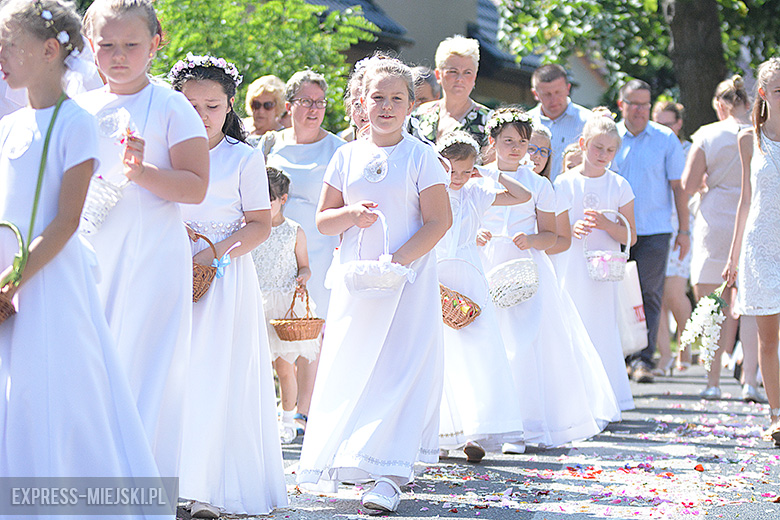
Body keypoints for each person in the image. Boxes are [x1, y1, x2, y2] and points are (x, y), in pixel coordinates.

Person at [0, 0, 165, 514]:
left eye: (10, 46)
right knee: (16, 394)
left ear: (50, 51)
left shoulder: (74, 123)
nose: (1, 56)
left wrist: (13, 281)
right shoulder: (10, 125)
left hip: (48, 279)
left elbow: (66, 219)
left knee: (56, 388)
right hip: (9, 277)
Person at [297, 56, 451, 513]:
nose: (386, 106)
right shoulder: (345, 155)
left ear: (410, 106)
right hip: (358, 284)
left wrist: (398, 262)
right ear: (362, 103)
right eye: (377, 98)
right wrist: (350, 215)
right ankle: (352, 454)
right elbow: (324, 221)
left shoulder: (421, 157)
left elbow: (438, 220)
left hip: (407, 281)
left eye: (396, 98)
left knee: (400, 369)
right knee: (355, 367)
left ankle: (390, 474)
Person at [78, 0, 210, 479]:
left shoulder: (171, 105)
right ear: (89, 46)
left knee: (141, 366)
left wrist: (141, 171)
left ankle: (138, 487)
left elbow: (196, 185)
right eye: (106, 45)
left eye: (131, 45)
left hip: (149, 256)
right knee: (91, 367)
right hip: (90, 252)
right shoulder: (80, 107)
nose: (118, 55)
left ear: (154, 44)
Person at [170, 55, 287, 518]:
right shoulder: (163, 152)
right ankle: (165, 481)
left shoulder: (243, 157)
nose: (201, 115)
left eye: (212, 106)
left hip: (222, 276)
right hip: (166, 271)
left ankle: (210, 488)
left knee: (216, 375)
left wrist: (214, 252)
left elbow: (260, 224)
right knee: (170, 376)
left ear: (230, 105)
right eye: (191, 105)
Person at [477, 107, 620, 448]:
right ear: (493, 141)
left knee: (524, 344)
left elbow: (554, 236)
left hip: (525, 267)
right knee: (487, 342)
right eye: (508, 140)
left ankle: (525, 425)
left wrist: (532, 241)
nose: (515, 148)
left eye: (522, 142)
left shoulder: (538, 184)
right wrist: (477, 233)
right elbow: (461, 217)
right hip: (485, 262)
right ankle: (485, 423)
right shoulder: (478, 176)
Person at [260, 70, 345, 435]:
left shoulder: (338, 148)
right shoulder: (268, 144)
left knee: (309, 330)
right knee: (274, 330)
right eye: (306, 101)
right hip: (271, 247)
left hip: (318, 247)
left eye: (319, 103)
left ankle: (302, 412)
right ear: (289, 105)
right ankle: (278, 406)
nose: (313, 109)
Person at [436, 131, 529, 462]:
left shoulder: (476, 191)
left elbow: (521, 195)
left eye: (465, 171)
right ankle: (444, 430)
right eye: (452, 171)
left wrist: (493, 171)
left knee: (477, 351)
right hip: (437, 272)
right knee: (441, 354)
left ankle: (476, 431)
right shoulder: (430, 192)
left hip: (469, 274)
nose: (458, 178)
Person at [555, 115, 637, 411]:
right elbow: (556, 226)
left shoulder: (619, 185)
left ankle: (605, 399)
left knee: (602, 326)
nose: (602, 155)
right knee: (573, 323)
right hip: (573, 264)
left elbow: (631, 235)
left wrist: (605, 223)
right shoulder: (564, 183)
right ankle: (574, 400)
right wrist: (573, 228)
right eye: (597, 148)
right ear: (583, 144)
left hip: (604, 269)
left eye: (609, 150)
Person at [612, 79, 688, 383]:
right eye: (634, 104)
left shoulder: (665, 138)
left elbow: (678, 188)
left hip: (655, 230)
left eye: (645, 104)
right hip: (613, 229)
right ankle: (617, 357)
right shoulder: (609, 136)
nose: (641, 110)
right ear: (622, 105)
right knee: (612, 292)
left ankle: (643, 359)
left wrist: (684, 230)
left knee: (649, 295)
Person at [724, 58, 780, 446]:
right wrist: (732, 257)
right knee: (767, 338)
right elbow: (746, 200)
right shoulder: (749, 139)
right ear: (763, 94)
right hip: (760, 246)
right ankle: (777, 416)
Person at [251, 167, 321, 443]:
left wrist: (302, 279)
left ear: (283, 199)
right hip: (256, 301)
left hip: (283, 306)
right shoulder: (251, 229)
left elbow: (305, 266)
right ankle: (259, 417)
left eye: (268, 200)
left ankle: (288, 419)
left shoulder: (293, 232)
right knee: (255, 365)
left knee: (284, 367)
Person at [651, 100, 694, 375]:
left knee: (674, 292)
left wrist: (684, 230)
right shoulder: (650, 145)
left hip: (681, 224)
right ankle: (664, 354)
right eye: (659, 123)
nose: (663, 128)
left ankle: (686, 346)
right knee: (655, 294)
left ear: (678, 124)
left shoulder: (688, 150)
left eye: (668, 123)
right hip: (653, 225)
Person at [409, 35, 491, 149]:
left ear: (474, 77)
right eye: (453, 71)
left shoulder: (488, 121)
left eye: (467, 72)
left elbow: (491, 164)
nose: (460, 79)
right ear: (438, 75)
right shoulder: (419, 115)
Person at [528, 64, 591, 180]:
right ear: (535, 94)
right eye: (547, 94)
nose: (554, 99)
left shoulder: (588, 122)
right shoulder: (525, 123)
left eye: (558, 92)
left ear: (568, 89)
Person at [243, 74, 285, 146]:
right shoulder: (240, 128)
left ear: (278, 106)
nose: (261, 111)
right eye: (256, 104)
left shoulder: (282, 137)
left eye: (267, 105)